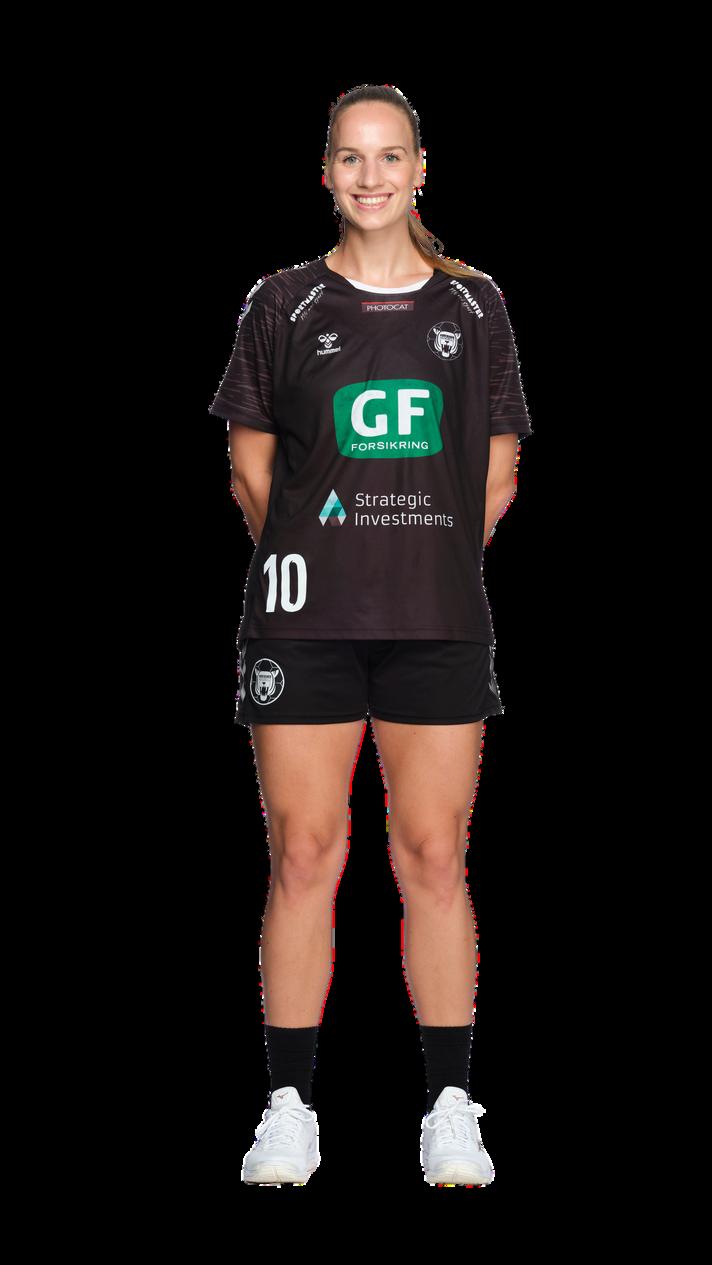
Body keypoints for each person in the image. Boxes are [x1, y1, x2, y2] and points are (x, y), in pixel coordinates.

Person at [208, 83, 534, 1187]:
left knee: (434, 854)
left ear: (419, 169)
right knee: (304, 853)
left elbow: (497, 467)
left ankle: (448, 1102)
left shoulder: (476, 305)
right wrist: (330, 554)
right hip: (304, 619)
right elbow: (252, 466)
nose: (371, 175)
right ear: (327, 174)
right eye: (351, 157)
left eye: (389, 155)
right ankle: (290, 1104)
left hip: (437, 620)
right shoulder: (280, 300)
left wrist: (417, 554)